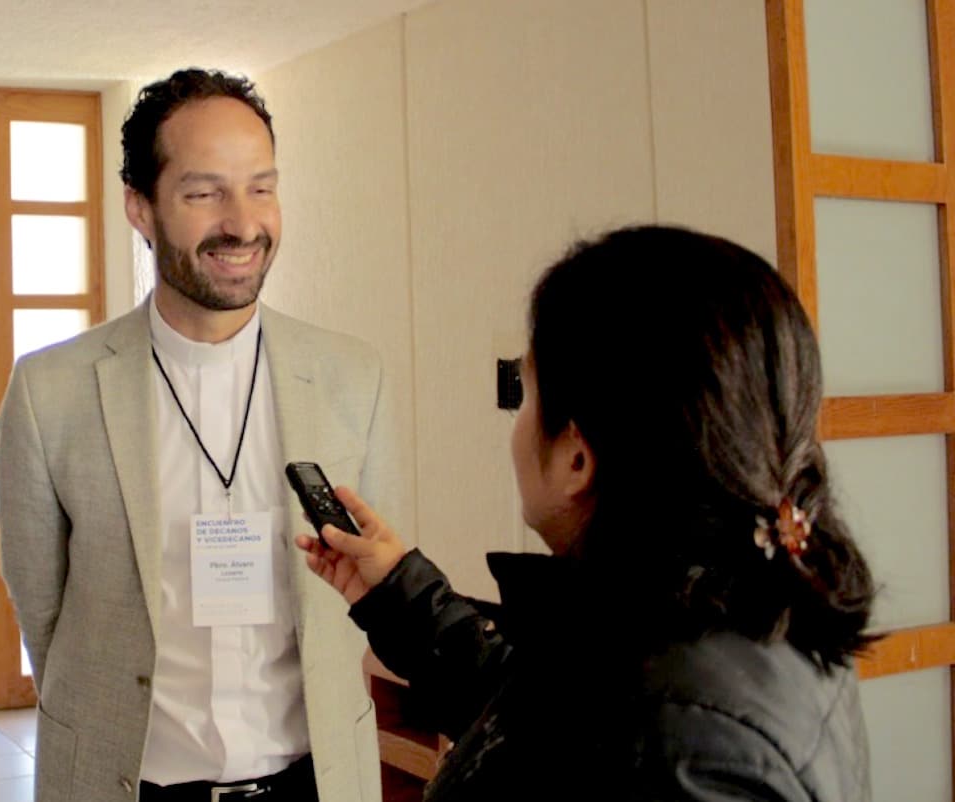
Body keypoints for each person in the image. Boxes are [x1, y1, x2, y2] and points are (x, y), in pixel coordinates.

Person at [297, 225, 876, 801]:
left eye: (526, 395)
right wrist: (400, 593)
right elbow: (548, 713)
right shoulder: (733, 607)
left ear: (577, 457)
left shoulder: (685, 748)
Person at [0, 68, 398, 802]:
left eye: (262, 187)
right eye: (204, 192)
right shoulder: (50, 390)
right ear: (141, 209)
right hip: (128, 782)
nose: (243, 224)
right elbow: (43, 608)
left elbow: (373, 593)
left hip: (316, 783)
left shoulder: (351, 376)